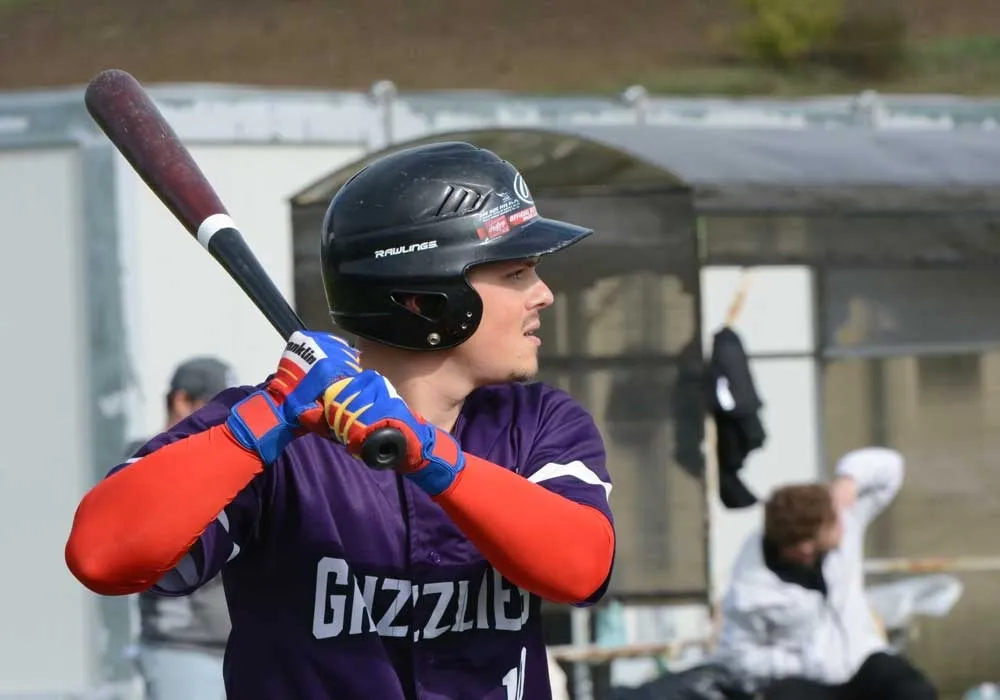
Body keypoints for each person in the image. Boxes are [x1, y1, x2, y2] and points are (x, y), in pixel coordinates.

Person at [65, 142, 617, 699]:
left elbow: (580, 569)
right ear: (425, 300)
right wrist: (264, 422)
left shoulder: (538, 422)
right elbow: (101, 557)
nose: (543, 295)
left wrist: (430, 456)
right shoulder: (266, 425)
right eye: (516, 273)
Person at [712, 447, 937, 700]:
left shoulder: (841, 519)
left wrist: (849, 479)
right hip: (810, 681)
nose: (843, 525)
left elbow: (891, 466)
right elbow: (737, 658)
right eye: (833, 526)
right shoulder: (750, 590)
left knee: (911, 688)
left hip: (863, 663)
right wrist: (804, 662)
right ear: (803, 550)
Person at [125, 357, 237, 700]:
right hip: (182, 647)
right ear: (182, 401)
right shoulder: (143, 460)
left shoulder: (226, 461)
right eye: (217, 408)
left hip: (236, 648)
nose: (227, 420)